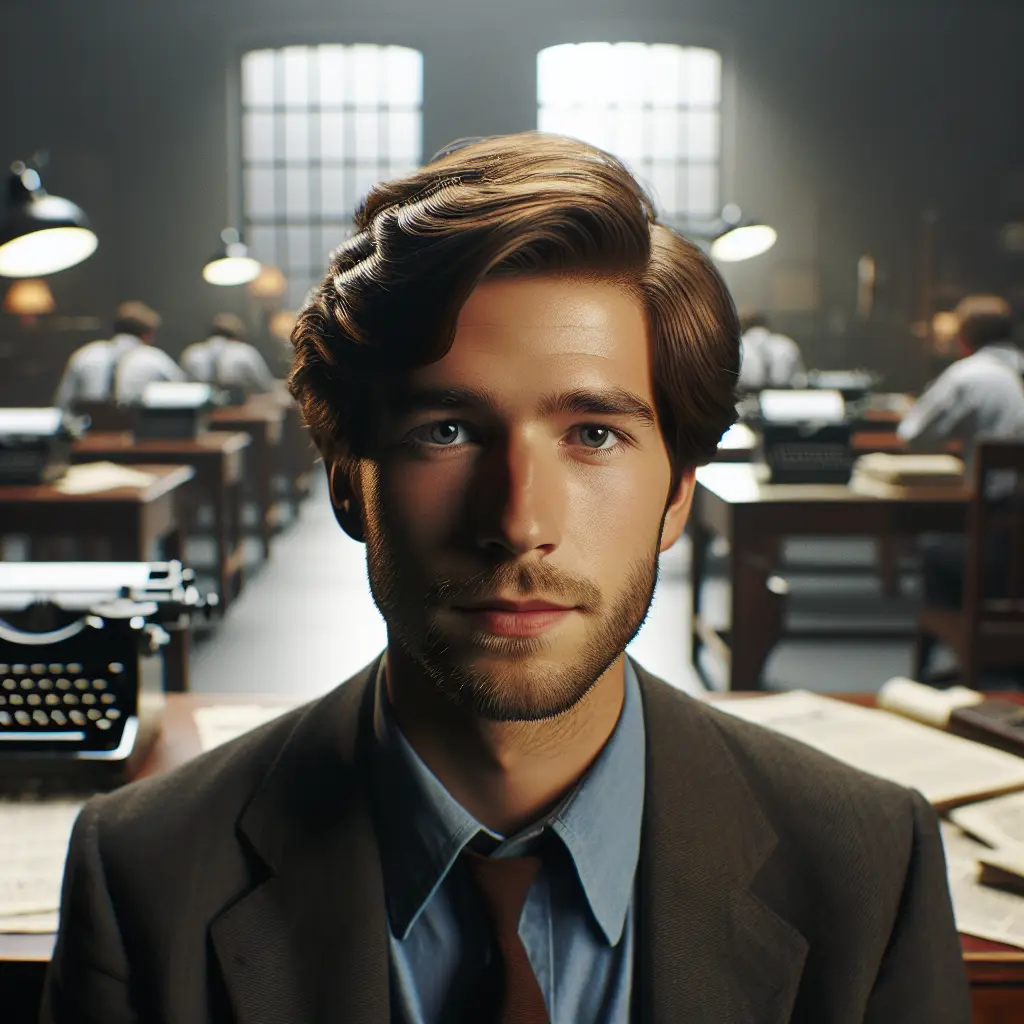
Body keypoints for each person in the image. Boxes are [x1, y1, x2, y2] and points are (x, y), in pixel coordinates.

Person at [43, 133, 970, 1023]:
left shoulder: (871, 865)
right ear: (345, 482)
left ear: (679, 495)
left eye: (594, 434)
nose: (519, 524)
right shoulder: (142, 873)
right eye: (446, 431)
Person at [899, 295, 1024, 612]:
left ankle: (966, 648)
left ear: (963, 338)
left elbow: (915, 437)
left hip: (1000, 536)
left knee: (936, 549)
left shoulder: (970, 375)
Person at [53, 300, 185, 407]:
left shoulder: (84, 354)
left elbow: (63, 403)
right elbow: (184, 396)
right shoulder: (155, 360)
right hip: (138, 436)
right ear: (148, 334)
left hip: (87, 436)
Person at [180, 312, 277, 396]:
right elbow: (265, 386)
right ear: (235, 337)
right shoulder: (245, 352)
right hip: (236, 413)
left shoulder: (191, 352)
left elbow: (181, 385)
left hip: (196, 413)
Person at [736, 310, 806, 390]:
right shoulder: (787, 344)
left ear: (743, 327)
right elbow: (801, 381)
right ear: (767, 326)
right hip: (782, 398)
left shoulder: (737, 347)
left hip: (745, 398)